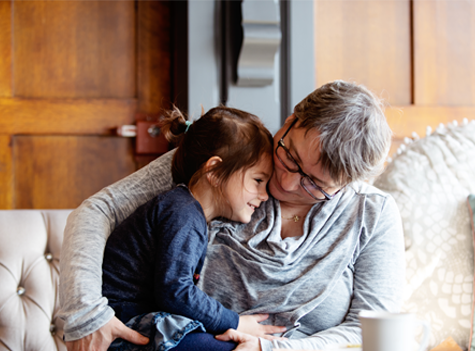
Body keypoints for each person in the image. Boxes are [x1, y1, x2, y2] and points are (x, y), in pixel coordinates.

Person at [59, 80, 405, 351]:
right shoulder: (232, 162)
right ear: (290, 120)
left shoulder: (371, 214)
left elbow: (372, 333)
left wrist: (273, 349)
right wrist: (87, 314)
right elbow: (97, 210)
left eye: (314, 183)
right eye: (290, 157)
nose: (284, 182)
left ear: (346, 185)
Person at [101, 106, 282, 350]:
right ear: (215, 171)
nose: (264, 195)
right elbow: (175, 292)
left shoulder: (187, 211)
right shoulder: (182, 213)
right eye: (258, 180)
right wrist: (235, 322)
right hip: (124, 327)